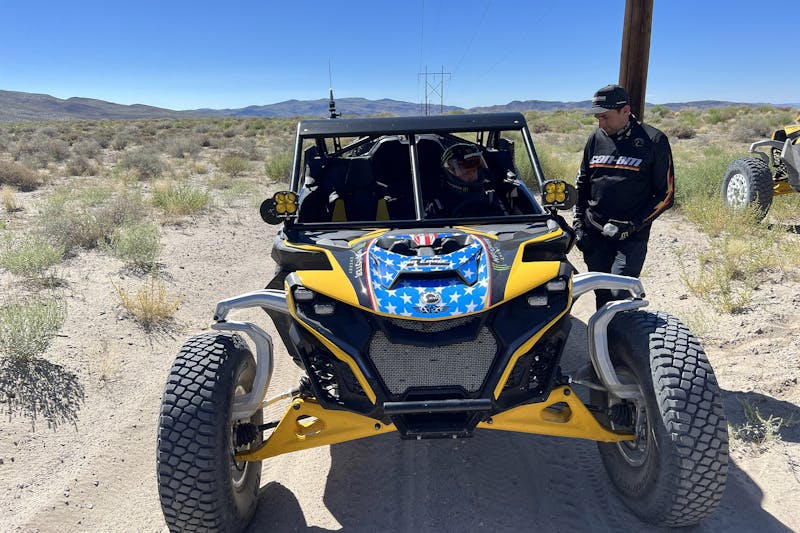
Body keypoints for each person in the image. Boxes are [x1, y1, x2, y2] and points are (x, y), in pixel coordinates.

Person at [573, 84, 675, 309]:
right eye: (597, 117)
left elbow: (666, 195)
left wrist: (632, 225)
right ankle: (606, 341)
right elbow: (582, 183)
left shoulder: (654, 140)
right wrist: (579, 223)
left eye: (605, 117)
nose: (601, 123)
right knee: (602, 295)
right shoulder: (595, 138)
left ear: (625, 110)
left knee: (620, 296)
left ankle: (625, 339)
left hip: (631, 238)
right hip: (595, 233)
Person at [426, 143, 507, 218]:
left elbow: (506, 223)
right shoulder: (439, 204)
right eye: (467, 172)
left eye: (474, 170)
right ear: (450, 171)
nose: (472, 174)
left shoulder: (491, 196)